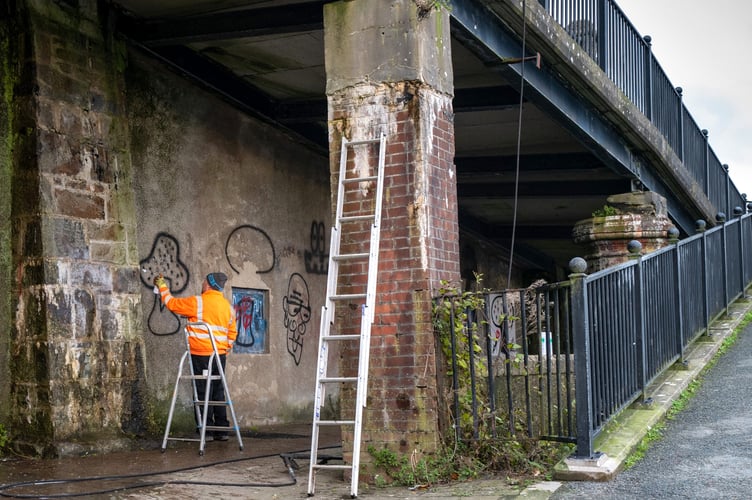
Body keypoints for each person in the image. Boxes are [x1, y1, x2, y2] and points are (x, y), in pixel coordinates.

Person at [154, 271, 237, 441]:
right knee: (217, 391)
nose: (202, 284)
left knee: (202, 391)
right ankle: (221, 431)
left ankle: (205, 431)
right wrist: (224, 349)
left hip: (201, 354)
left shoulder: (198, 302)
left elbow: (172, 304)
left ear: (208, 284)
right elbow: (232, 333)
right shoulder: (228, 307)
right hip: (219, 355)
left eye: (203, 281)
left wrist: (162, 286)